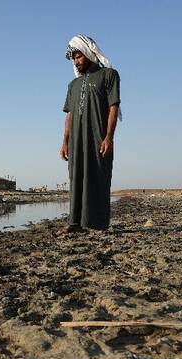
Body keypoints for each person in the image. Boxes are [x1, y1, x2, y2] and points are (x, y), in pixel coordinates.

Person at [59, 34, 121, 233]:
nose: (76, 62)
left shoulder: (109, 75)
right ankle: (75, 223)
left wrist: (109, 137)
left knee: (99, 177)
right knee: (76, 178)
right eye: (73, 59)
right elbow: (69, 115)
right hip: (76, 141)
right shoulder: (73, 85)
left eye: (78, 57)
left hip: (98, 138)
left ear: (88, 53)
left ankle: (98, 224)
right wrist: (65, 142)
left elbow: (113, 107)